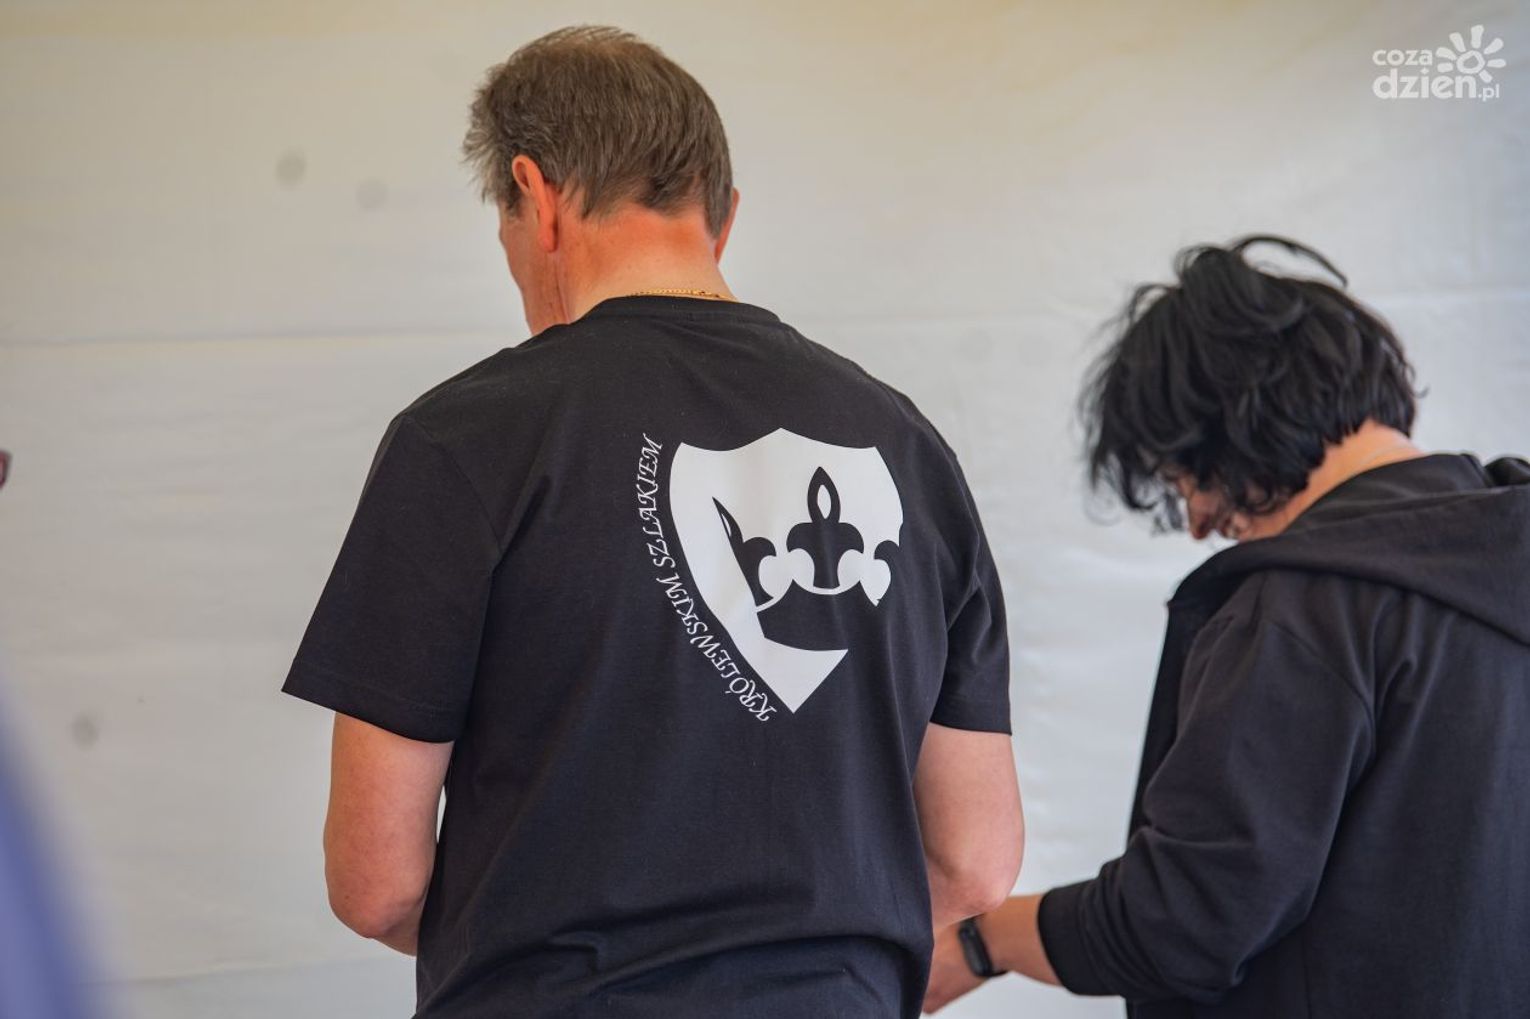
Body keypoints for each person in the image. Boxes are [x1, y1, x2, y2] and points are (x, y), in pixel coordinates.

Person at [282, 26, 1023, 1019]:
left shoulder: (462, 440)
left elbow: (375, 881)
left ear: (537, 197)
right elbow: (975, 861)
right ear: (724, 216)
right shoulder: (906, 449)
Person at [925, 235, 1530, 1018]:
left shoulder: (1304, 607)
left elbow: (1185, 919)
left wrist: (984, 939)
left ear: (1228, 421)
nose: (1200, 524)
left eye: (1182, 479)